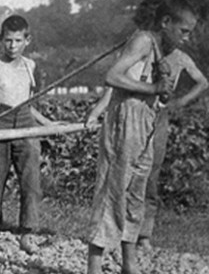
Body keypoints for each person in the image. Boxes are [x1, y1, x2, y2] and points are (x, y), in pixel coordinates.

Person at [83, 0, 196, 274]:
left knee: (136, 193)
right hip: (125, 119)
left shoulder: (161, 50)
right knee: (113, 189)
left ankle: (128, 262)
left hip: (146, 120)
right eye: (184, 31)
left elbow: (157, 89)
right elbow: (113, 76)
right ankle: (94, 269)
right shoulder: (143, 41)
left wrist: (161, 93)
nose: (187, 38)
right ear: (166, 23)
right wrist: (153, 87)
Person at [85, 43, 207, 252]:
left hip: (157, 117)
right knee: (120, 179)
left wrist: (180, 102)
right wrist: (95, 114)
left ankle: (142, 235)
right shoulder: (140, 52)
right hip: (132, 115)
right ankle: (111, 239)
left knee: (148, 176)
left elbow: (202, 82)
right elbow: (112, 88)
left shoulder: (180, 57)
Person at [0, 15, 55, 254]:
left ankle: (26, 236)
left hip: (25, 123)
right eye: (8, 40)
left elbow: (29, 104)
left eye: (17, 40)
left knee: (31, 182)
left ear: (27, 41)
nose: (12, 46)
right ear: (1, 39)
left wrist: (47, 122)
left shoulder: (30, 66)